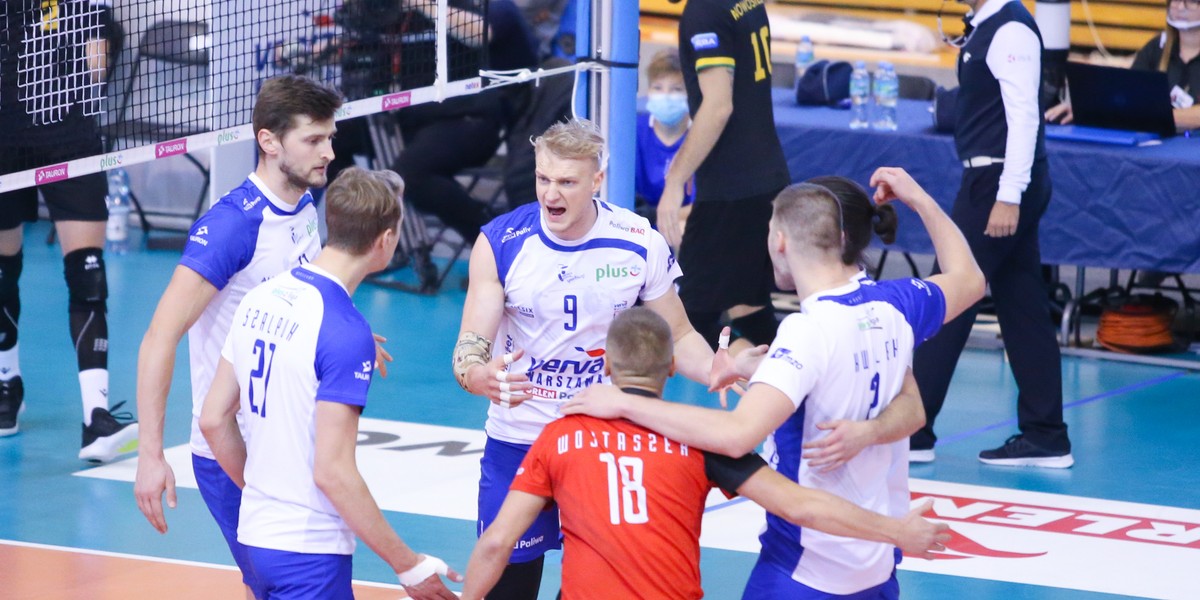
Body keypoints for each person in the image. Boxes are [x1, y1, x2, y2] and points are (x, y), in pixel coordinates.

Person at [563, 168, 986, 598]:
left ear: (780, 240)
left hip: (807, 569)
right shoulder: (895, 304)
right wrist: (920, 199)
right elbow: (970, 280)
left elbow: (736, 434)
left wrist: (626, 402)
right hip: (877, 568)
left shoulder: (807, 331)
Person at [462, 307, 949, 600]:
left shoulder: (559, 436)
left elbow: (497, 543)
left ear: (606, 365)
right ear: (672, 367)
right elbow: (799, 505)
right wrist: (898, 531)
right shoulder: (704, 439)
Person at [453, 118, 744, 600]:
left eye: (567, 182)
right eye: (543, 179)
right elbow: (471, 345)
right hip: (519, 439)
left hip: (598, 442)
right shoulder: (502, 241)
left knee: (602, 586)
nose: (551, 194)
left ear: (597, 180)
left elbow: (679, 333)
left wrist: (713, 366)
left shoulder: (638, 240)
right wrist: (475, 374)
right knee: (508, 586)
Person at [200, 167, 460, 600]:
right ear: (386, 240)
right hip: (309, 556)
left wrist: (265, 495)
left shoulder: (259, 298)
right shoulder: (345, 330)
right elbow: (333, 472)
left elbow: (213, 418)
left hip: (255, 541)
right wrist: (408, 564)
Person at [134, 75, 341, 594]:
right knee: (280, 583)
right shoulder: (233, 227)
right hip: (234, 444)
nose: (329, 153)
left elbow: (301, 290)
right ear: (269, 141)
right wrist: (150, 456)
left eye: (329, 138)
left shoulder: (303, 202)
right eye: (314, 140)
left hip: (290, 435)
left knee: (271, 583)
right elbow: (160, 336)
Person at [911, 0, 1073, 468]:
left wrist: (1009, 194)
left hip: (997, 184)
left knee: (948, 296)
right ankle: (1046, 434)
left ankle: (912, 431)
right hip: (993, 181)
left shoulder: (1010, 30)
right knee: (1023, 307)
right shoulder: (985, 26)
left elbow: (1025, 117)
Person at [0, 0, 138, 462]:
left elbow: (97, 65)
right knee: (2, 270)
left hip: (68, 138)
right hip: (5, 137)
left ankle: (96, 417)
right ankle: (6, 385)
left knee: (87, 273)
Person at [657, 0, 792, 350]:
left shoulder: (703, 11)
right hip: (764, 179)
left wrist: (675, 180)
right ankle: (792, 378)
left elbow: (718, 105)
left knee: (687, 326)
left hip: (731, 193)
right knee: (749, 306)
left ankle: (780, 372)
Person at [1046, 0, 1200, 133]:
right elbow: (1128, 96)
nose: (1181, 7)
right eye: (1175, 0)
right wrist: (1087, 109)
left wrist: (1148, 117)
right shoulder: (1156, 48)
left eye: (1192, 1)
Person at [635, 48, 693, 228]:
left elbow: (703, 207)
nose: (666, 96)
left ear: (691, 93)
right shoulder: (634, 132)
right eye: (658, 88)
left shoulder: (701, 138)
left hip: (683, 227)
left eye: (676, 89)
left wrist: (658, 216)